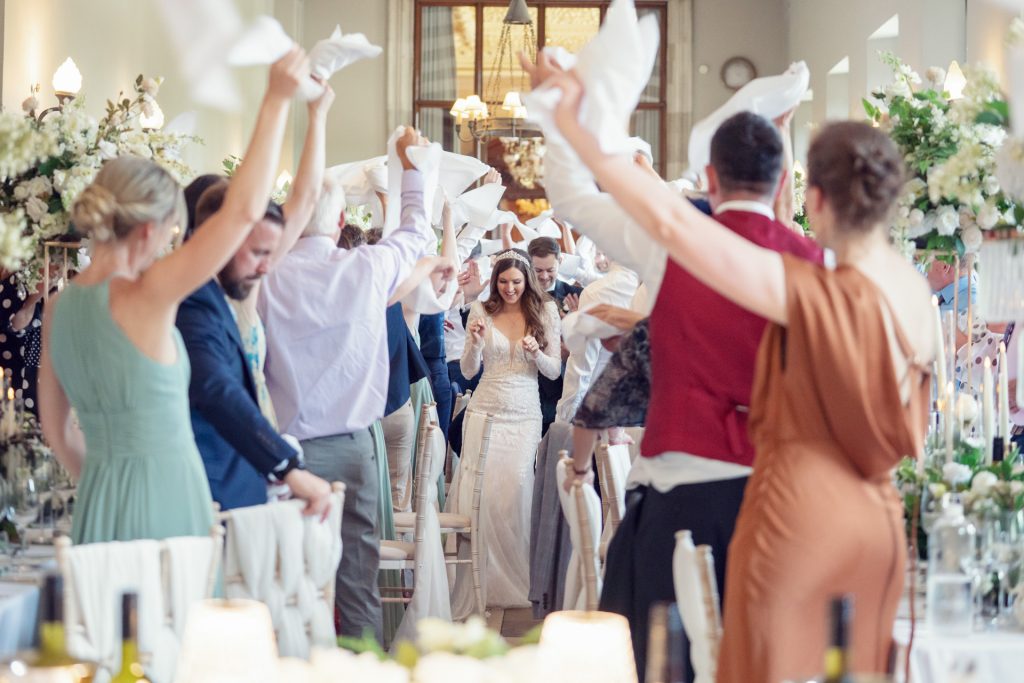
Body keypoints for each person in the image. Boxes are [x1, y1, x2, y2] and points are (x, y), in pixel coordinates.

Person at [548, 66, 932, 683]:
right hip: (858, 526)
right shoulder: (889, 289)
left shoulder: (794, 282)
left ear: (813, 197)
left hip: (726, 508)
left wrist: (573, 123)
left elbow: (667, 223)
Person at [524, 49, 824, 681]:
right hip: (780, 506)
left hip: (681, 498)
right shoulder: (813, 266)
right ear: (780, 181)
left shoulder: (675, 239)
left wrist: (556, 117)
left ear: (710, 178)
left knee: (660, 663)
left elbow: (573, 198)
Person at [39, 48, 309, 544]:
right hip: (169, 502)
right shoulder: (150, 294)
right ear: (147, 231)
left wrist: (108, 489)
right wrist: (276, 99)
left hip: (97, 506)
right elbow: (244, 210)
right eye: (169, 233)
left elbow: (59, 433)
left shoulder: (59, 307)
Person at [257, 128, 445, 641]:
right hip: (355, 450)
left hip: (285, 455)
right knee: (357, 585)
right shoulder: (369, 266)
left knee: (289, 582)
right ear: (341, 222)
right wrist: (412, 168)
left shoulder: (265, 277)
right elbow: (414, 232)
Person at [453, 248, 561, 618]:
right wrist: (475, 343)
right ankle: (481, 578)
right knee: (482, 493)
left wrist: (536, 354)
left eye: (516, 282)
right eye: (503, 282)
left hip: (523, 413)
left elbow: (553, 372)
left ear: (526, 280)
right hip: (484, 410)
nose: (510, 288)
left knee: (515, 488)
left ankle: (518, 580)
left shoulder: (545, 311)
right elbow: (468, 371)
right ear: (495, 282)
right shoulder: (482, 311)